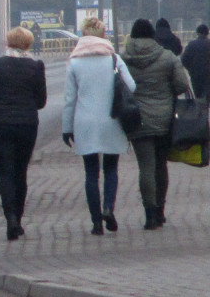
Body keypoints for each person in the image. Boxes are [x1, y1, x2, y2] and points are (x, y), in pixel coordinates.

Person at [61, 16, 133, 236]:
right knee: (111, 169)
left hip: (85, 122)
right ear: (103, 35)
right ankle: (108, 208)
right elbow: (131, 85)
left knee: (91, 173)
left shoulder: (74, 62)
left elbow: (69, 100)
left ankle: (96, 223)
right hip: (112, 120)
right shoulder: (113, 59)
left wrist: (66, 128)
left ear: (83, 35)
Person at [0, 26, 47, 240]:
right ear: (28, 44)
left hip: (2, 123)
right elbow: (41, 101)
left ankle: (10, 219)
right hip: (27, 124)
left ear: (8, 42)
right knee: (21, 171)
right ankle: (19, 217)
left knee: (6, 171)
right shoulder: (36, 66)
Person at [122, 18, 190, 230]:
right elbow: (181, 85)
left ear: (132, 36)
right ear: (152, 35)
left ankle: (149, 213)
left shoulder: (124, 59)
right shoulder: (167, 57)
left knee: (145, 167)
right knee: (161, 165)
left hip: (137, 120)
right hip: (163, 118)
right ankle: (160, 210)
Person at [180, 23, 210, 98]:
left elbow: (184, 59)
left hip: (196, 75)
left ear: (197, 33)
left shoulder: (191, 45)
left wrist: (190, 69)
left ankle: (202, 109)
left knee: (199, 97)